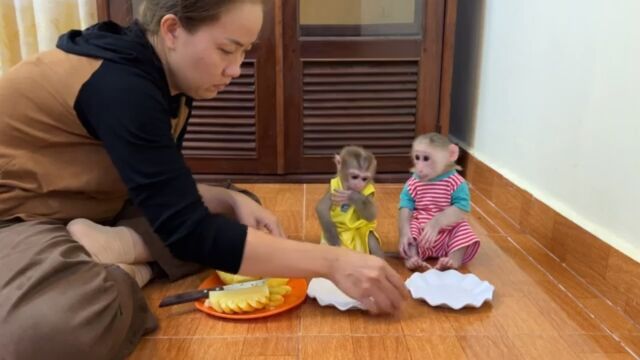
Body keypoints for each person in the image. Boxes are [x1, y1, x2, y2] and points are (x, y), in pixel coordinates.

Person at [0, 1, 408, 359]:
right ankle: (129, 270)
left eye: (245, 51)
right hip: (23, 217)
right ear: (172, 29)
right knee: (52, 332)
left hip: (97, 200)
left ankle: (122, 247)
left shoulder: (163, 76)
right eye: (227, 49)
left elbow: (156, 178)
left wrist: (226, 202)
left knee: (241, 209)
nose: (236, 69)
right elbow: (188, 227)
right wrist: (332, 262)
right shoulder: (120, 84)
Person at [398, 133, 481, 271]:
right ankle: (412, 257)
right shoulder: (414, 181)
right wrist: (404, 232)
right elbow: (405, 205)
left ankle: (452, 260)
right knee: (410, 231)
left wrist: (437, 222)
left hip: (448, 231)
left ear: (450, 156)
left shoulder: (455, 182)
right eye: (417, 158)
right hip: (422, 231)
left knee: (464, 230)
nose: (419, 167)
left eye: (426, 159)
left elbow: (462, 207)